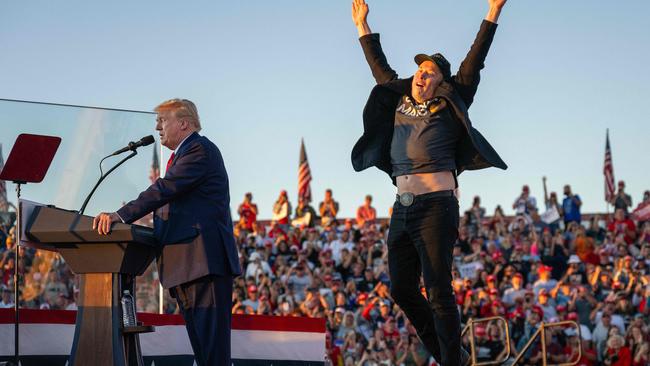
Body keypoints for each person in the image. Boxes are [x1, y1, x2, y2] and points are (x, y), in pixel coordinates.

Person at [350, 0, 508, 364]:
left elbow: (475, 59)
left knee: (438, 289)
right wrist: (362, 26)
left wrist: (493, 11)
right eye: (420, 69)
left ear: (441, 82)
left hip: (437, 205)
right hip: (403, 208)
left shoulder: (452, 101)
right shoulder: (399, 98)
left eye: (431, 71)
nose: (422, 74)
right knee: (402, 289)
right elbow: (379, 67)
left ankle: (452, 362)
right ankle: (450, 355)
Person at [93, 98, 241, 366]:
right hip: (187, 266)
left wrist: (121, 215)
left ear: (183, 123)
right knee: (205, 353)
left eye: (163, 121)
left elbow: (164, 189)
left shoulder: (199, 150)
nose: (158, 127)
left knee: (213, 354)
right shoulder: (184, 155)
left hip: (203, 264)